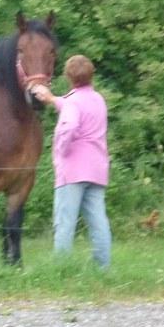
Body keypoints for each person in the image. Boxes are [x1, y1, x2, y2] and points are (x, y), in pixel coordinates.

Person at [32, 54, 112, 268]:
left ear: (68, 77)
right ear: (91, 75)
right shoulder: (98, 99)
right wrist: (51, 99)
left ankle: (61, 267)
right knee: (98, 221)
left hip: (73, 170)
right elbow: (73, 107)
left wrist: (60, 152)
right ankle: (103, 267)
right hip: (97, 169)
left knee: (65, 222)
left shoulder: (72, 103)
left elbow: (69, 125)